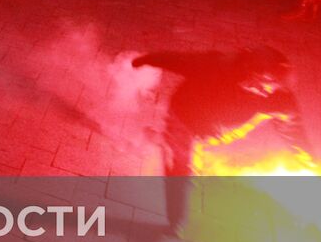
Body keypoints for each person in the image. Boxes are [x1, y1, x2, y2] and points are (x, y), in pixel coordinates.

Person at [131, 47, 311, 232]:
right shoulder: (217, 66)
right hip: (185, 119)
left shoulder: (278, 97)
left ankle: (175, 149)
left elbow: (292, 127)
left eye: (270, 87)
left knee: (197, 161)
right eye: (260, 85)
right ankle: (176, 219)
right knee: (180, 168)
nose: (264, 92)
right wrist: (146, 59)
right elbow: (178, 59)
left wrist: (306, 161)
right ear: (249, 71)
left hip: (216, 132)